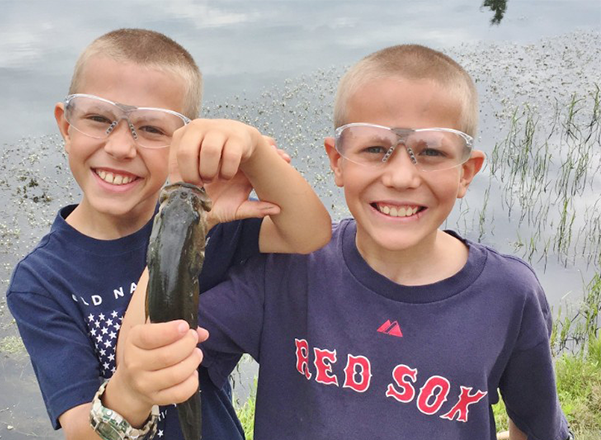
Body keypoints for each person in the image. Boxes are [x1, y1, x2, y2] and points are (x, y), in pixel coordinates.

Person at [124, 44, 573, 439]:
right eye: (375, 149)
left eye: (432, 152)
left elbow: (535, 424)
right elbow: (155, 348)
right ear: (336, 162)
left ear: (466, 173)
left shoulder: (510, 295)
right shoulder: (292, 270)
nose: (400, 177)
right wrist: (188, 218)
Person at [6, 28, 331, 440]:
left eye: (152, 129)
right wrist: (132, 389)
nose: (121, 147)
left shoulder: (205, 223)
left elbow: (310, 234)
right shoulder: (40, 280)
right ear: (65, 125)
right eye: (98, 119)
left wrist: (255, 151)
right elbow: (79, 430)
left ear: (185, 142)